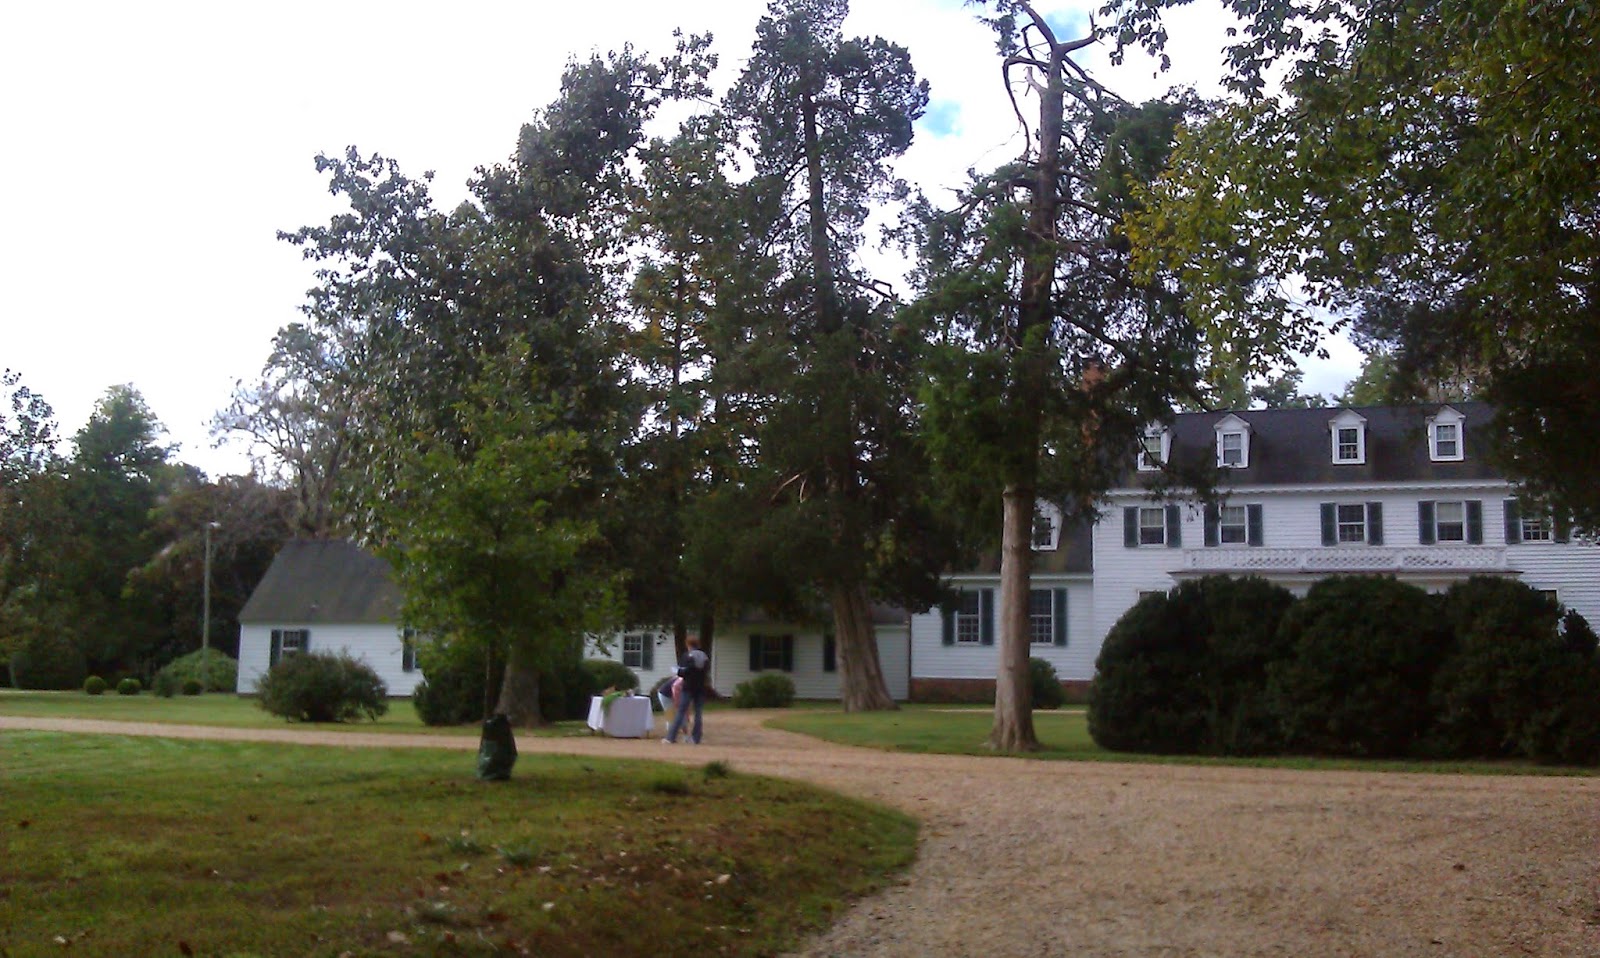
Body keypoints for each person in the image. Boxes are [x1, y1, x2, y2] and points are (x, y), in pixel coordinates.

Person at [663, 635, 709, 744]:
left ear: (688, 645)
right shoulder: (705, 656)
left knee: (680, 712)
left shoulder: (688, 656)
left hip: (688, 687)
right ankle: (696, 738)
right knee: (698, 714)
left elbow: (685, 672)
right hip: (700, 687)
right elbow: (705, 671)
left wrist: (676, 671)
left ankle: (671, 737)